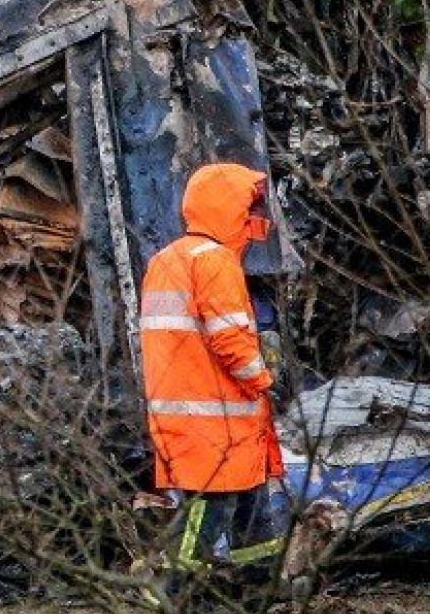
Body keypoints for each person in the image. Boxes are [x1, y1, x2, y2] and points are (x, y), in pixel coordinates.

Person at [139, 163, 284, 579]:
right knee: (212, 515)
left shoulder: (166, 260)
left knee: (244, 510)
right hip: (219, 423)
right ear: (232, 209)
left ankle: (257, 587)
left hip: (188, 422)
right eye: (249, 208)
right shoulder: (217, 262)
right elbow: (231, 341)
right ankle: (180, 592)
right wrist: (264, 380)